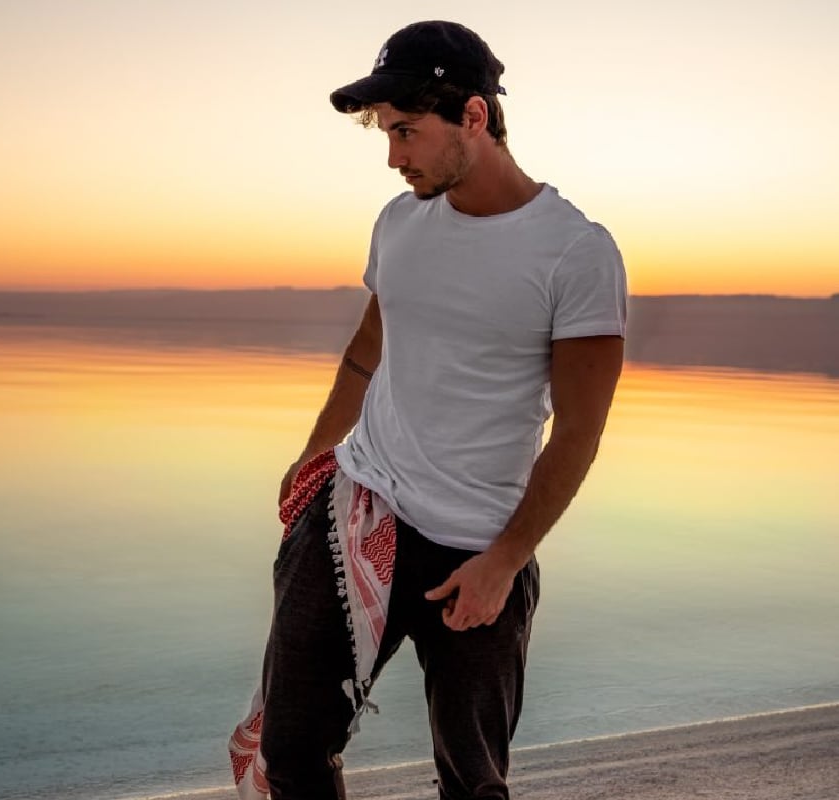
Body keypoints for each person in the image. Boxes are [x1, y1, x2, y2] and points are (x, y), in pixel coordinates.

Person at [255, 19, 627, 800]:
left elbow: (580, 433)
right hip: (359, 509)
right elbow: (367, 351)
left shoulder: (576, 253)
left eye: (407, 132)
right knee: (290, 753)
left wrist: (504, 561)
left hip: (478, 548)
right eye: (386, 135)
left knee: (474, 782)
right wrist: (315, 455)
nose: (393, 157)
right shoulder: (400, 225)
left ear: (473, 117)